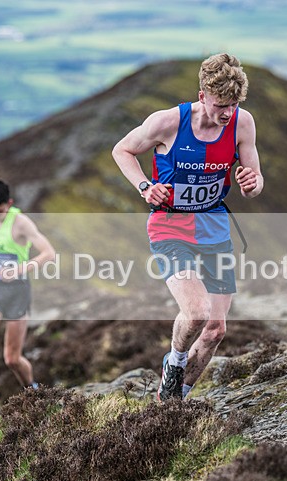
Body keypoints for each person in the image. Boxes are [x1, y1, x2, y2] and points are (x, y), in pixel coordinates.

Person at [112, 53, 264, 401]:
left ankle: (174, 400)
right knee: (196, 313)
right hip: (170, 227)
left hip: (215, 228)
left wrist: (251, 183)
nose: (227, 113)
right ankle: (175, 363)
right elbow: (122, 150)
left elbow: (256, 182)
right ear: (202, 96)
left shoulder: (243, 124)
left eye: (233, 104)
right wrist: (146, 187)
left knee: (215, 330)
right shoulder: (167, 122)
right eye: (220, 104)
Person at [0, 179, 56, 415]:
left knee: (12, 359)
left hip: (17, 292)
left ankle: (33, 390)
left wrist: (19, 269)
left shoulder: (21, 223)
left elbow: (49, 254)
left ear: (9, 204)